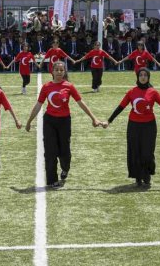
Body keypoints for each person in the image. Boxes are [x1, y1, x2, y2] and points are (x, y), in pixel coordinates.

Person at [24, 61, 102, 189]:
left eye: (61, 70)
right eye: (57, 70)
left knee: (64, 151)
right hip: (49, 121)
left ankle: (65, 168)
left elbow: (80, 102)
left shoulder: (69, 86)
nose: (59, 72)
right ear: (52, 71)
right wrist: (29, 121)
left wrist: (94, 118)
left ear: (64, 72)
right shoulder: (46, 87)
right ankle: (52, 180)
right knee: (50, 152)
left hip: (64, 122)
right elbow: (38, 105)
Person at [103, 68, 160, 188]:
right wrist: (109, 121)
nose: (143, 77)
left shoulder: (153, 92)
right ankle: (138, 177)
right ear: (137, 77)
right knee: (135, 151)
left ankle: (147, 175)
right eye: (141, 75)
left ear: (148, 77)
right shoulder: (131, 92)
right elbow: (120, 107)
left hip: (149, 126)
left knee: (147, 152)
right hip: (133, 126)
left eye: (145, 75)